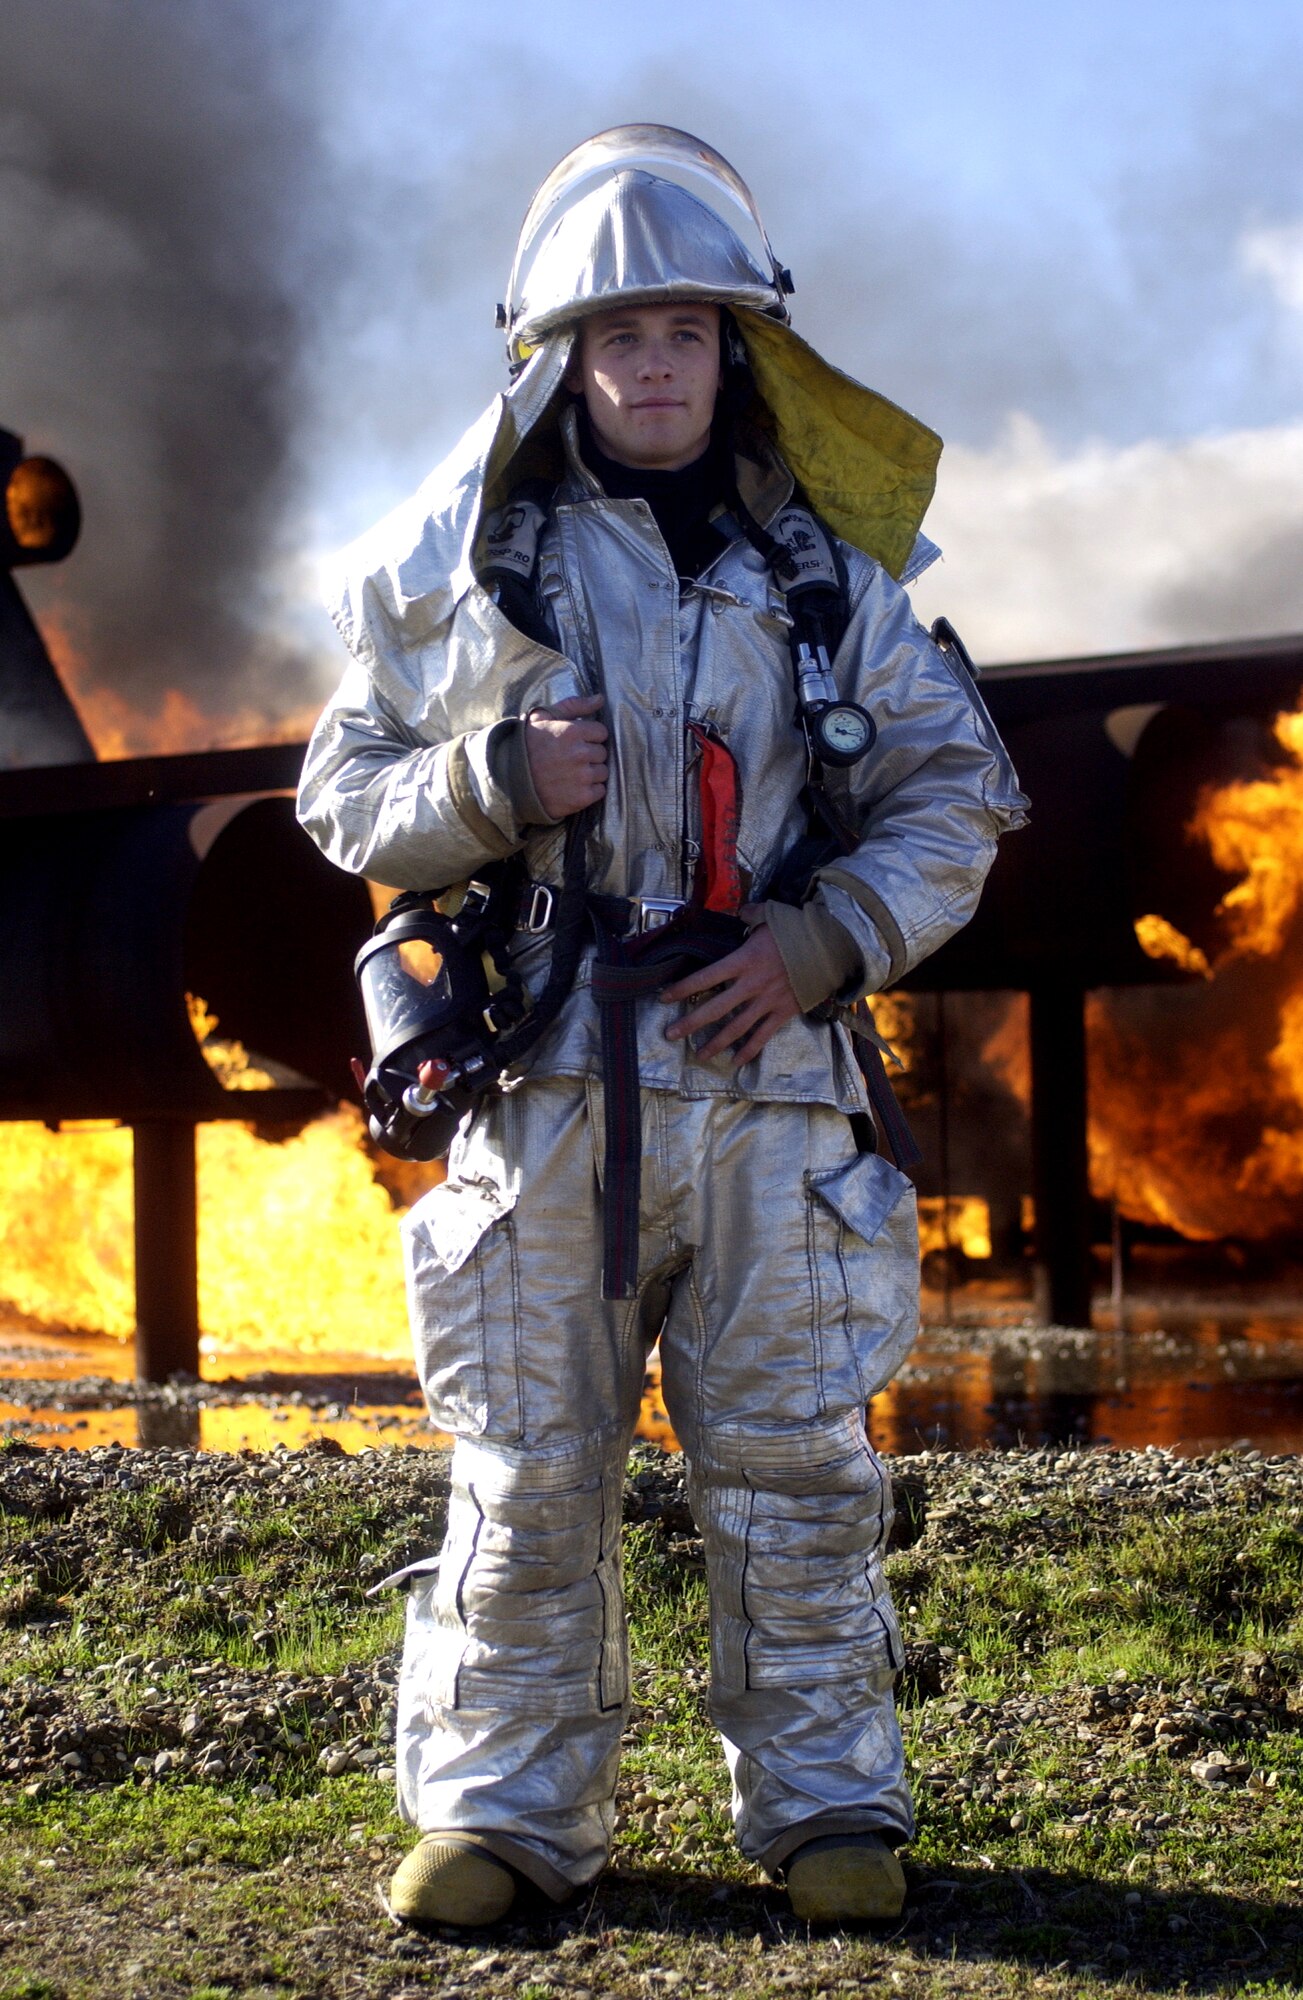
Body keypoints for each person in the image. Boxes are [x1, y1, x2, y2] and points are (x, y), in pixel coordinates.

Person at [298, 127, 1027, 1928]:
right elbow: (341, 791)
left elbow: (953, 798)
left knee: (795, 1475)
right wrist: (488, 775)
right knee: (529, 1472)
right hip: (544, 1091)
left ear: (736, 350)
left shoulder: (829, 582)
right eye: (618, 338)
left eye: (686, 334)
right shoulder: (473, 581)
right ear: (559, 362)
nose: (654, 366)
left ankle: (830, 1814)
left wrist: (824, 937)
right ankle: (498, 1821)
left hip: (778, 1094)